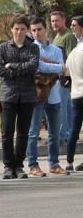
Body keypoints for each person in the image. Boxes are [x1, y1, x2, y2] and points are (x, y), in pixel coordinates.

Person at [0, 15, 39, 179]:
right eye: (16, 28)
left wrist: (12, 66)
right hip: (8, 95)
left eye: (22, 29)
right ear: (11, 29)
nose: (19, 32)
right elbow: (1, 71)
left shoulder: (33, 48)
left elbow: (33, 66)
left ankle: (19, 165)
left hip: (28, 95)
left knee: (23, 132)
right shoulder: (3, 48)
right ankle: (8, 165)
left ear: (26, 30)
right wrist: (19, 69)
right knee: (6, 132)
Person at [25, 16, 66, 177]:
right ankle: (33, 164)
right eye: (33, 30)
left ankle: (54, 163)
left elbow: (60, 70)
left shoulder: (56, 50)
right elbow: (38, 66)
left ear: (46, 29)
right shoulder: (31, 48)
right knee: (33, 131)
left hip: (53, 94)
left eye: (39, 29)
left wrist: (54, 68)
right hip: (36, 95)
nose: (36, 33)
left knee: (54, 132)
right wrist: (55, 67)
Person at [50, 11, 76, 145]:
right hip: (57, 76)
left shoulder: (68, 36)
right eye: (52, 21)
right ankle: (68, 134)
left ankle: (64, 135)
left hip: (64, 77)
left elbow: (71, 58)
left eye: (57, 20)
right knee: (65, 107)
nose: (54, 23)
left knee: (63, 107)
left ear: (63, 20)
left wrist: (67, 78)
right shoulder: (56, 37)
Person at [64, 39, 83, 171]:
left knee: (74, 130)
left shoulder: (72, 53)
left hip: (76, 93)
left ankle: (69, 162)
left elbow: (66, 73)